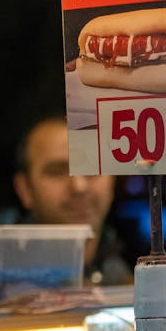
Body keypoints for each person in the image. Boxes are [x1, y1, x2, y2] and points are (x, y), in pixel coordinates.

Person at [13, 116, 129, 285]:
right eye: (57, 171)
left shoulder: (130, 277)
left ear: (113, 180)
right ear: (25, 189)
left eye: (92, 168)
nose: (79, 186)